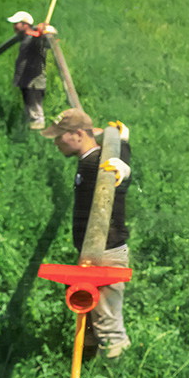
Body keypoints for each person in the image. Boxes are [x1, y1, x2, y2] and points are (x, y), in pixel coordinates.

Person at [42, 108, 134, 358]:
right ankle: (90, 366)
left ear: (79, 134)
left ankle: (119, 377)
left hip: (105, 252)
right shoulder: (90, 159)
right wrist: (122, 141)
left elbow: (120, 178)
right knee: (92, 322)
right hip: (92, 251)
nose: (57, 142)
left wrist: (122, 168)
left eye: (60, 136)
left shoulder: (99, 164)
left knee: (108, 326)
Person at [7, 10, 51, 130]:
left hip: (34, 80)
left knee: (35, 107)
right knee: (28, 104)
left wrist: (42, 30)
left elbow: (44, 39)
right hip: (25, 79)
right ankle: (30, 128)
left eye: (17, 23)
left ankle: (38, 130)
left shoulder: (34, 39)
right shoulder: (26, 38)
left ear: (25, 25)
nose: (14, 26)